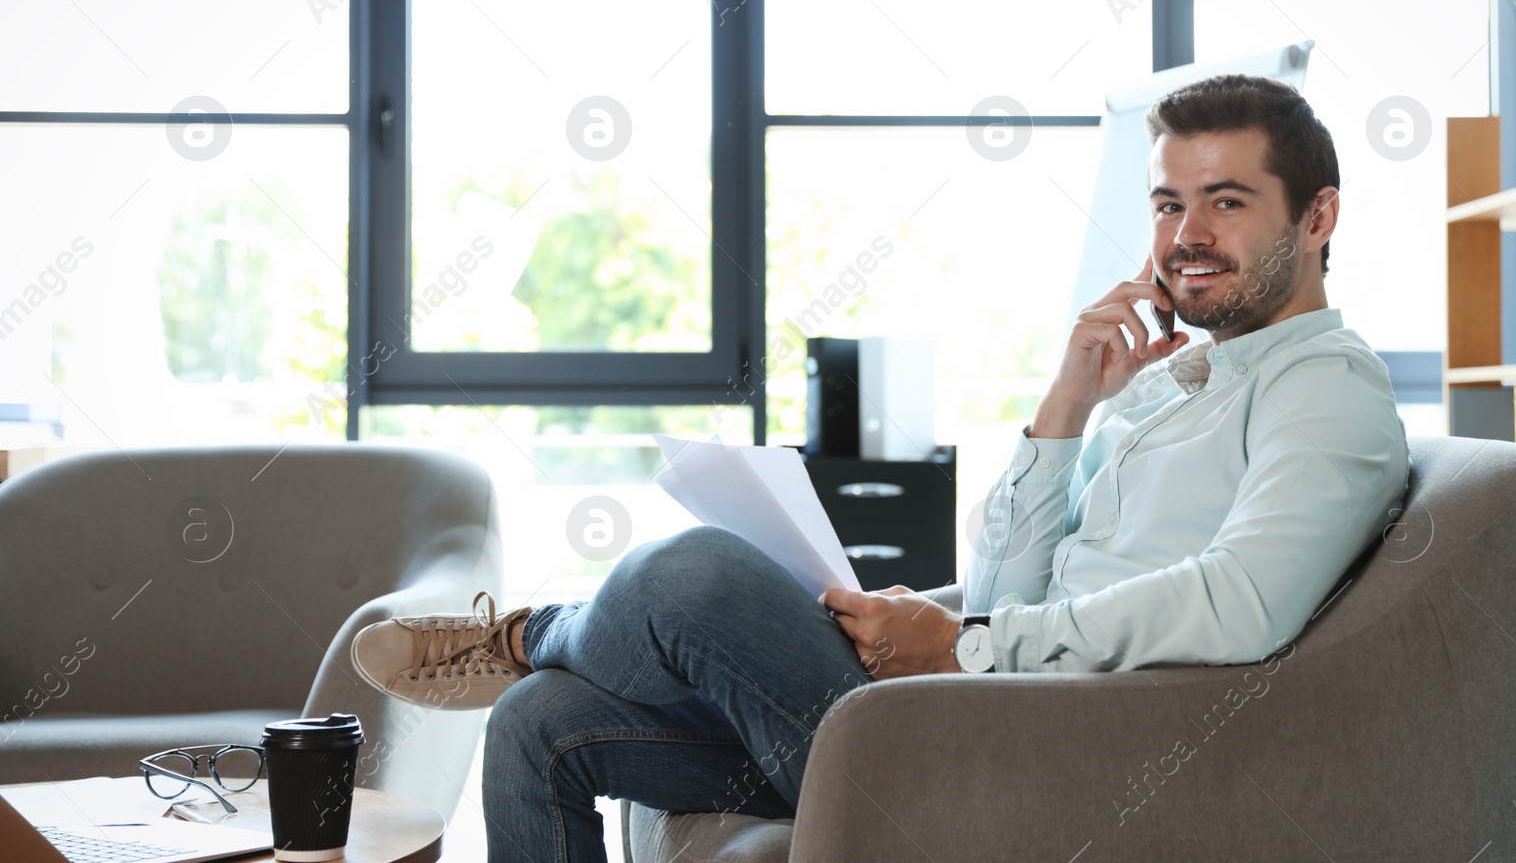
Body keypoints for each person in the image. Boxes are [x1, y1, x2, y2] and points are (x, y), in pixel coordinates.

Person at [350, 73, 1409, 862]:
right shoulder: (1179, 376)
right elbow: (1009, 592)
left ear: (1317, 215)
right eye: (1167, 204)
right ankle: (539, 653)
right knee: (544, 725)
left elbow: (1242, 604)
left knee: (692, 574)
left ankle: (531, 631)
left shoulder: (1323, 386)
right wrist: (1064, 408)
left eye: (1226, 201)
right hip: (991, 711)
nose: (1184, 234)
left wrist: (973, 645)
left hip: (1057, 758)